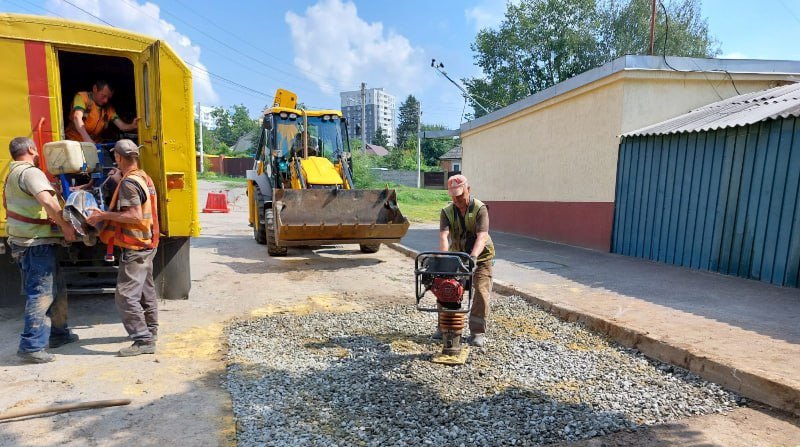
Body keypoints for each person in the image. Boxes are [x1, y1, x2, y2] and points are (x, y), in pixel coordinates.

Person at [4, 137, 78, 364]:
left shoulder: (12, 173)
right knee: (42, 293)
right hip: (35, 244)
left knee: (57, 289)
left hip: (30, 241)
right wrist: (66, 226)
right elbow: (47, 201)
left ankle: (59, 334)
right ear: (30, 149)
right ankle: (31, 346)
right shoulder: (31, 172)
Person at [86, 140, 159, 357]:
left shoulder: (129, 183)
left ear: (118, 157)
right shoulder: (142, 176)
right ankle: (151, 331)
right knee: (146, 291)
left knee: (125, 295)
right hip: (147, 242)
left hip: (135, 245)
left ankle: (143, 339)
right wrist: (118, 180)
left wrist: (102, 215)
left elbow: (134, 216)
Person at [439, 174, 495, 347]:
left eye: (460, 195)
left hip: (481, 256)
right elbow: (443, 236)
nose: (457, 200)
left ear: (468, 190)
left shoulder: (480, 209)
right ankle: (444, 327)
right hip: (457, 257)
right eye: (453, 197)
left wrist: (473, 258)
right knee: (446, 287)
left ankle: (477, 331)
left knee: (480, 289)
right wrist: (444, 259)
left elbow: (482, 236)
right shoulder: (447, 211)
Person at [65, 80, 140, 143]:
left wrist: (131, 126)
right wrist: (87, 139)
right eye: (103, 96)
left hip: (95, 144)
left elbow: (121, 126)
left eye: (108, 98)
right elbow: (77, 117)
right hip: (75, 142)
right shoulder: (82, 97)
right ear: (95, 89)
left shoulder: (109, 109)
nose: (106, 100)